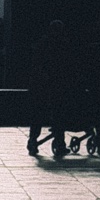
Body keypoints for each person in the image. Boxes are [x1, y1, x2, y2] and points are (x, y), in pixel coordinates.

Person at [27, 20, 73, 156]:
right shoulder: (64, 45)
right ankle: (59, 144)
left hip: (42, 86)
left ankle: (33, 141)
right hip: (56, 85)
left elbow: (36, 64)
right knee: (58, 115)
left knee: (38, 115)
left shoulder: (42, 44)